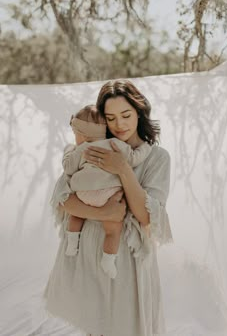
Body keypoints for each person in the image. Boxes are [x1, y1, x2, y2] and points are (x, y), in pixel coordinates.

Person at [43, 79, 173, 336]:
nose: (119, 124)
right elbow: (63, 198)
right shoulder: (92, 148)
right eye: (111, 118)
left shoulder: (157, 158)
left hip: (129, 261)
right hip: (90, 253)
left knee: (126, 327)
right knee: (96, 327)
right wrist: (103, 213)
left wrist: (123, 169)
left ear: (139, 112)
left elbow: (147, 216)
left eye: (126, 115)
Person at [53, 104, 152, 279]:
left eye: (75, 135)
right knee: (113, 229)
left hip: (83, 193)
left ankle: (72, 241)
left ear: (82, 135)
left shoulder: (81, 149)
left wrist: (69, 150)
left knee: (77, 215)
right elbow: (134, 158)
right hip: (109, 194)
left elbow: (68, 168)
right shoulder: (116, 145)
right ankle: (108, 259)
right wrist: (146, 147)